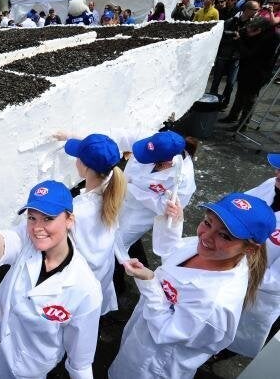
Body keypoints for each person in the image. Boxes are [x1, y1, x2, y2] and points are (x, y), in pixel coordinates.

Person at [0, 180, 102, 378]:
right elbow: (5, 244)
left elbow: (81, 360)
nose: (37, 228)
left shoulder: (86, 290)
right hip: (5, 332)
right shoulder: (29, 240)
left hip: (31, 363)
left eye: (48, 218)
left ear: (69, 220)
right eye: (32, 218)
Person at [109, 192, 275, 378]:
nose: (206, 236)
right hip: (142, 332)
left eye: (224, 236)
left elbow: (166, 331)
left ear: (250, 249)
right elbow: (172, 254)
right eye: (207, 222)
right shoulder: (210, 251)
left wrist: (149, 283)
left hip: (154, 362)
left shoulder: (215, 302)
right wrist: (174, 222)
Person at [55, 134, 127, 314]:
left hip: (83, 281)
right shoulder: (113, 188)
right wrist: (69, 136)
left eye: (78, 156)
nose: (76, 160)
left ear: (85, 166)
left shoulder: (76, 211)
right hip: (102, 273)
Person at [228, 153, 280, 357]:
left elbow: (277, 280)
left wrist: (238, 266)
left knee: (241, 330)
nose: (276, 173)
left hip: (261, 289)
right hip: (235, 264)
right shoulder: (271, 184)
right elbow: (240, 204)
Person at [117, 131, 196, 255]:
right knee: (108, 230)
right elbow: (120, 137)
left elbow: (165, 208)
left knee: (119, 243)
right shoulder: (154, 143)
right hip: (120, 198)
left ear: (167, 163)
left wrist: (131, 189)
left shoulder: (183, 180)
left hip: (139, 214)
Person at [219, 17, 279, 129]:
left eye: (251, 30)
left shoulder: (269, 39)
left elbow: (249, 54)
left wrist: (238, 40)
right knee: (240, 94)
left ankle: (243, 124)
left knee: (249, 98)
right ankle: (233, 116)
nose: (248, 32)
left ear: (259, 30)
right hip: (247, 69)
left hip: (258, 72)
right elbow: (248, 41)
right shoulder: (258, 33)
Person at [209, 0, 260, 108]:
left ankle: (224, 103)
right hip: (224, 55)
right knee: (216, 80)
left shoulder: (252, 24)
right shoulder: (232, 20)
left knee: (231, 83)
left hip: (236, 57)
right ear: (247, 9)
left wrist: (240, 38)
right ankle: (211, 102)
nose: (257, 11)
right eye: (255, 10)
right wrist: (233, 35)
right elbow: (220, 35)